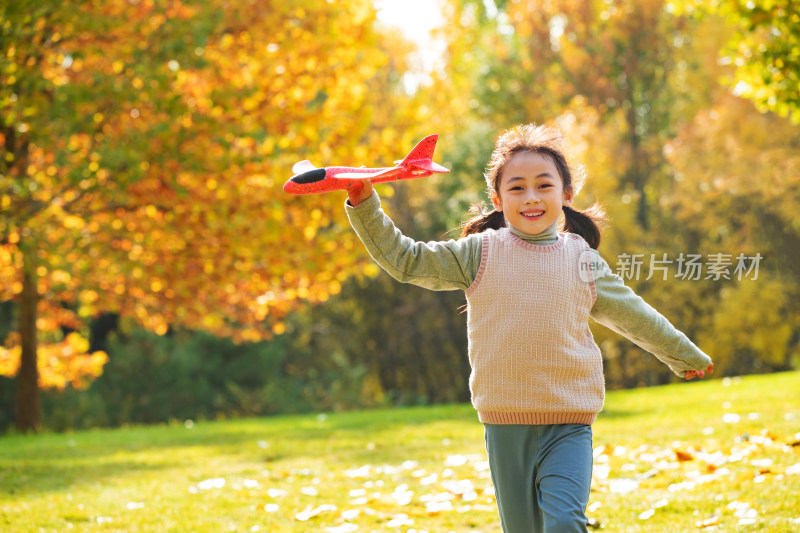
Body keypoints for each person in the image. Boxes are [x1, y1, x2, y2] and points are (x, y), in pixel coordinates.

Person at [343, 124, 714, 533]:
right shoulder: (478, 253)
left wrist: (683, 354)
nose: (531, 197)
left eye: (543, 185)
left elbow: (634, 315)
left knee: (565, 523)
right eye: (517, 188)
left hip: (570, 421)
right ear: (497, 199)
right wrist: (364, 203)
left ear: (566, 194)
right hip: (504, 423)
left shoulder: (582, 260)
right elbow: (406, 260)